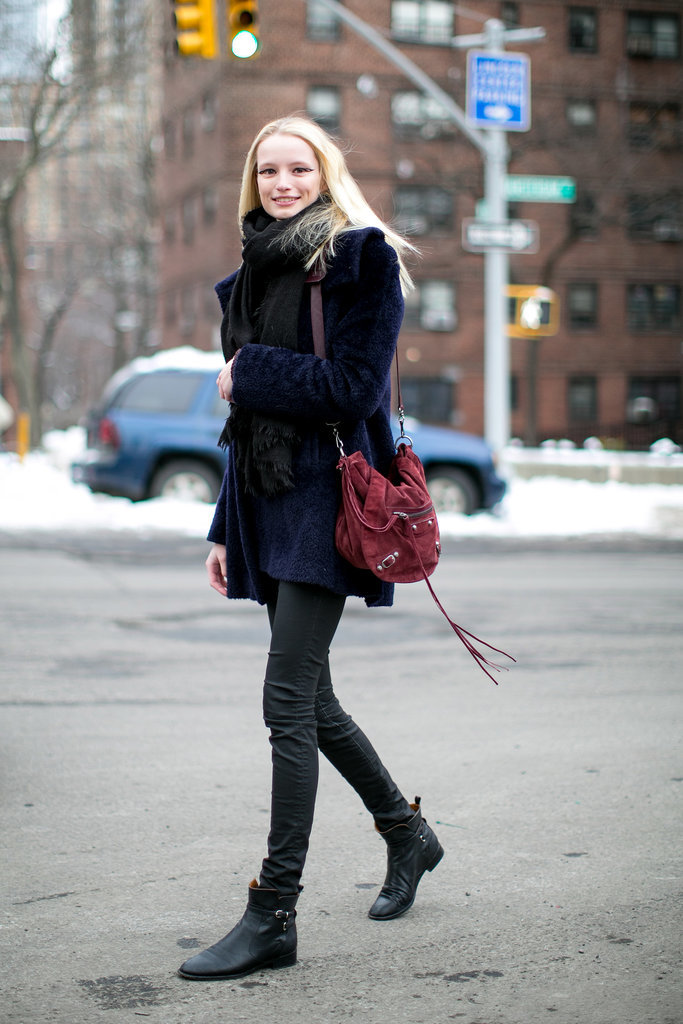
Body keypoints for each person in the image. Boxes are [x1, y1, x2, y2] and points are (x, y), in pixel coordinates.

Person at [178, 115, 443, 982]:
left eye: (298, 168)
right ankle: (408, 836)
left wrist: (247, 369)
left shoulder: (360, 263)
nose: (282, 183)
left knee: (285, 702)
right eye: (268, 172)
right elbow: (242, 416)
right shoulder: (252, 272)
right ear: (253, 184)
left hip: (328, 508)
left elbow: (351, 387)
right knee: (313, 699)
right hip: (265, 504)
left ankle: (273, 912)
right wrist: (224, 529)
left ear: (325, 173)